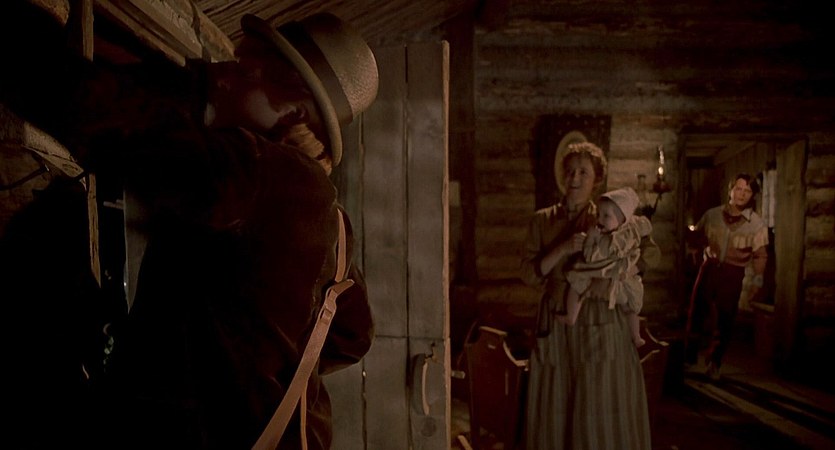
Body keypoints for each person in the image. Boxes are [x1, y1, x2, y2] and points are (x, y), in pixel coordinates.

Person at [0, 4, 376, 449]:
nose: (224, 74)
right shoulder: (331, 219)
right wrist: (246, 363)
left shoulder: (253, 169)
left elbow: (93, 114)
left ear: (293, 113)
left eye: (245, 71)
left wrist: (15, 33)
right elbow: (352, 336)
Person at [520, 140, 660, 450]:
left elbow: (649, 256)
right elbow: (528, 274)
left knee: (598, 398)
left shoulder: (612, 216)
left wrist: (614, 281)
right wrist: (561, 249)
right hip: (557, 319)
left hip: (601, 319)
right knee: (555, 398)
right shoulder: (542, 220)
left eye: (583, 172)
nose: (575, 178)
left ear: (596, 178)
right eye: (570, 171)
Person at [688, 173, 768, 380]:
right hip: (709, 268)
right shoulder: (712, 215)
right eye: (738, 189)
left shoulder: (757, 224)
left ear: (752, 195)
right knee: (697, 312)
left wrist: (757, 282)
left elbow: (760, 255)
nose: (742, 194)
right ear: (730, 190)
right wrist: (700, 253)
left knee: (725, 318)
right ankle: (689, 358)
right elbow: (696, 238)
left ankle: (715, 362)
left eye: (747, 191)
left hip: (733, 273)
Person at [557, 187, 653, 349]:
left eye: (606, 216)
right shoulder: (624, 234)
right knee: (627, 307)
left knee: (577, 282)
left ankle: (635, 335)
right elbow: (643, 228)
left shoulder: (608, 239)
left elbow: (590, 257)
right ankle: (571, 316)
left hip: (612, 274)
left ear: (622, 220)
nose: (599, 220)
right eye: (598, 214)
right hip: (608, 276)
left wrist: (591, 240)